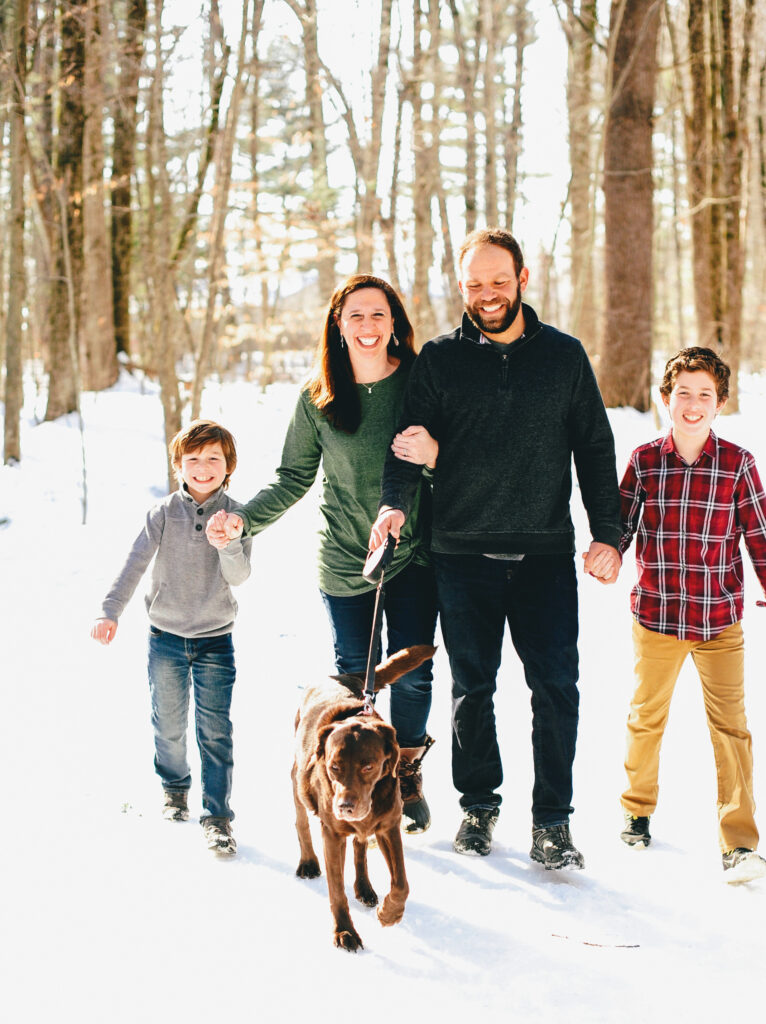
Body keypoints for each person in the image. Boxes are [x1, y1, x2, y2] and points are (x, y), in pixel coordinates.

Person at [369, 227, 621, 868]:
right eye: (475, 284)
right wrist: (393, 504)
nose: (487, 294)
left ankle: (552, 823)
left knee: (556, 688)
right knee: (472, 687)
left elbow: (594, 447)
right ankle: (478, 806)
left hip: (542, 553)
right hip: (461, 552)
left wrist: (607, 534)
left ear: (522, 280)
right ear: (462, 286)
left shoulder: (563, 357)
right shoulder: (440, 359)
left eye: (498, 281)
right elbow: (406, 443)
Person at [205, 274, 439, 833]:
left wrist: (434, 457)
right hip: (343, 559)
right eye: (355, 315)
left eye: (377, 315)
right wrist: (243, 519)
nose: (367, 326)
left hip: (411, 555)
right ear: (338, 324)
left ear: (394, 323)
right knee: (357, 682)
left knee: (413, 675)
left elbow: (447, 456)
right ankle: (354, 780)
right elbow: (293, 478)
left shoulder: (420, 383)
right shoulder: (318, 398)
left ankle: (403, 773)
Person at [617, 347, 766, 883]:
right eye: (684, 393)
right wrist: (605, 552)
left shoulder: (738, 464)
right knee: (646, 716)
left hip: (718, 621)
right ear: (665, 399)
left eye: (705, 394)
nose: (693, 404)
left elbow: (759, 536)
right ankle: (636, 808)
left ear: (720, 403)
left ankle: (739, 843)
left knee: (731, 728)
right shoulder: (644, 460)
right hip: (656, 616)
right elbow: (621, 527)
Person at [90, 420, 252, 856]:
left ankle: (217, 817)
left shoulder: (238, 515)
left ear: (228, 465)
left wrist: (229, 541)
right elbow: (134, 564)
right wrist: (110, 611)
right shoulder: (162, 513)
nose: (202, 468)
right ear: (178, 465)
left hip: (216, 639)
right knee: (169, 723)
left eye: (213, 458)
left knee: (215, 730)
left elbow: (238, 576)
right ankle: (175, 785)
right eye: (193, 459)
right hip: (165, 638)